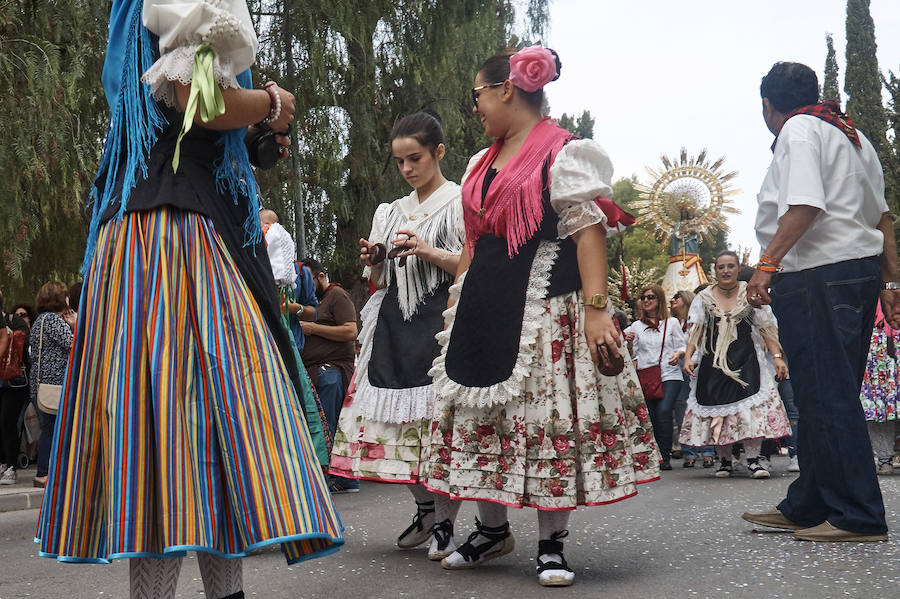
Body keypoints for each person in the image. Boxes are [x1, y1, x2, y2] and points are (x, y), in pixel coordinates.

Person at [36, 1, 343, 596]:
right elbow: (197, 101)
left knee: (179, 435)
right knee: (190, 429)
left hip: (139, 232)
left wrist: (249, 135)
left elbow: (176, 108)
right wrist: (273, 104)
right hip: (179, 237)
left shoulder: (128, 11)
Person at [423, 46, 659, 587]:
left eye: (478, 95)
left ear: (506, 88)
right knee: (483, 418)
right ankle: (491, 530)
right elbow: (474, 243)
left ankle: (551, 543)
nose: (475, 107)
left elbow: (588, 233)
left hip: (545, 310)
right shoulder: (479, 163)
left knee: (546, 419)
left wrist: (597, 312)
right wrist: (456, 301)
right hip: (482, 307)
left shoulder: (563, 152)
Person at [743, 61, 900, 542]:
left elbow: (806, 205)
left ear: (768, 104)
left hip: (817, 275)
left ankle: (858, 514)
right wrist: (891, 280)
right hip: (853, 272)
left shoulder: (798, 130)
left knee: (827, 393)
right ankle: (810, 503)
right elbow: (882, 216)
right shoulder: (853, 136)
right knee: (819, 394)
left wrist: (766, 264)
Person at [329, 110, 466, 559]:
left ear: (438, 152)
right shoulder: (390, 211)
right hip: (394, 326)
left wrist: (428, 250)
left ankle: (445, 523)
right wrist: (375, 258)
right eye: (400, 161)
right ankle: (426, 511)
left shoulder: (459, 201)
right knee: (395, 429)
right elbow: (380, 279)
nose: (407, 169)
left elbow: (471, 264)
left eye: (415, 158)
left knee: (439, 430)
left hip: (442, 323)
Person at [678, 251, 791, 479]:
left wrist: (777, 356)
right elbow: (696, 330)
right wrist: (688, 356)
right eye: (721, 267)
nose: (726, 271)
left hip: (746, 359)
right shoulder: (704, 297)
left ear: (738, 269)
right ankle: (724, 461)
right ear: (715, 271)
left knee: (750, 411)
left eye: (730, 266)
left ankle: (753, 460)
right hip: (713, 362)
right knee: (717, 410)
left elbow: (766, 328)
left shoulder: (750, 293)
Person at [300, 258, 360, 494]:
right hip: (310, 371)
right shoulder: (304, 302)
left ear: (320, 277)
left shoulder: (336, 295)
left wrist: (313, 328)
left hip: (332, 370)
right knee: (317, 425)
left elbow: (351, 331)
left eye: (307, 279)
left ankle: (343, 477)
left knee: (331, 424)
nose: (304, 284)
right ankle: (321, 473)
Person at [624, 285, 686, 470]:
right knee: (651, 416)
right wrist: (628, 344)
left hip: (670, 373)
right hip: (647, 375)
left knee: (664, 411)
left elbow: (683, 346)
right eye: (643, 297)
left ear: (659, 300)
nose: (646, 300)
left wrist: (678, 354)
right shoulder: (636, 326)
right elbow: (632, 355)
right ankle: (656, 455)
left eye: (650, 297)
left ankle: (665, 456)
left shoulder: (672, 323)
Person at [29, 282, 76, 489]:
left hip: (40, 383)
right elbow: (74, 344)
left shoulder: (40, 320)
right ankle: (43, 473)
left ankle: (45, 471)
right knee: (53, 428)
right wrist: (74, 325)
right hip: (54, 383)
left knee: (49, 428)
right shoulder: (53, 320)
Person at [669, 290, 714, 468]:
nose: (672, 300)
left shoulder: (699, 321)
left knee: (704, 409)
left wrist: (686, 355)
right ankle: (689, 452)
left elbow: (702, 344)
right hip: (680, 373)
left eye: (677, 297)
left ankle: (708, 451)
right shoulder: (672, 323)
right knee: (682, 412)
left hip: (700, 369)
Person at [859, 301, 899, 475]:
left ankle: (885, 459)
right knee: (878, 407)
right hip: (876, 342)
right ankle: (884, 458)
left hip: (885, 339)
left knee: (881, 404)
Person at [0, 288, 30, 485]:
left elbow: (26, 345)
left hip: (14, 382)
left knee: (7, 422)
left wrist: (9, 336)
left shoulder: (14, 321)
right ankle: (3, 463)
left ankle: (11, 466)